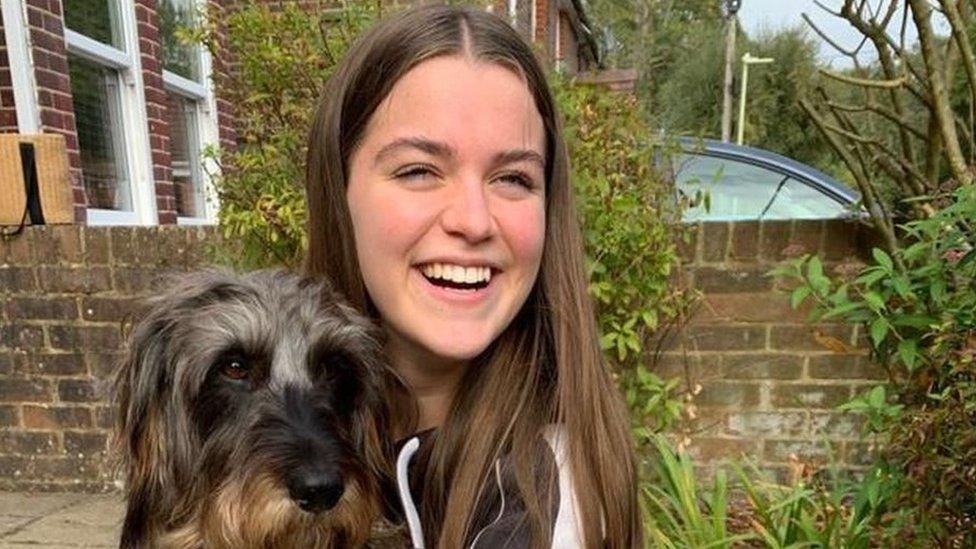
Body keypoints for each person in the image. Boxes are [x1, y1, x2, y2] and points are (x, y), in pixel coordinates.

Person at [304, 4, 641, 548]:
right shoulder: (253, 434)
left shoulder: (549, 501)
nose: (474, 221)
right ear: (338, 191)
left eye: (512, 178)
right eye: (419, 170)